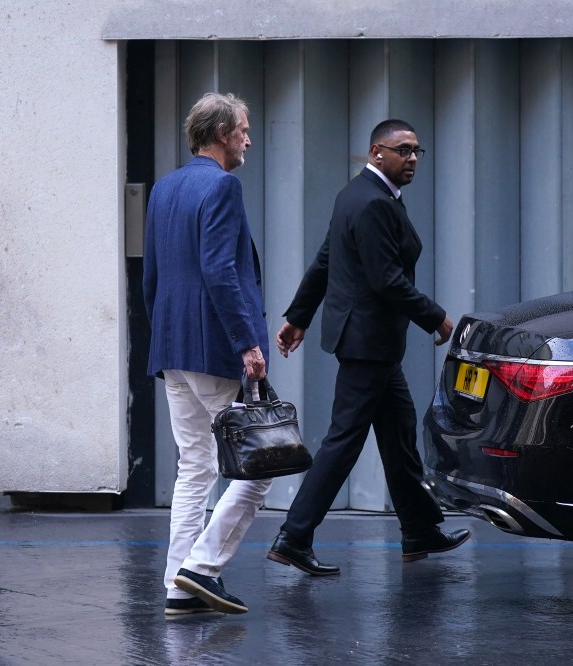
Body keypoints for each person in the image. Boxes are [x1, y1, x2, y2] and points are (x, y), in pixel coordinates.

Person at [266, 119, 470, 575]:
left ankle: (418, 530)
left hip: (370, 342)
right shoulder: (373, 203)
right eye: (403, 150)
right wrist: (436, 317)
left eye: (418, 150)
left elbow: (326, 259)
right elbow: (386, 280)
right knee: (344, 440)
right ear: (378, 152)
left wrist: (298, 316)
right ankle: (293, 536)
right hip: (367, 342)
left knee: (398, 434)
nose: (413, 158)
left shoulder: (355, 195)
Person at [143, 92, 271, 616]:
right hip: (214, 347)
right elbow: (220, 271)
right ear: (221, 133)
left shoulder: (165, 187)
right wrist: (248, 343)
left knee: (194, 467)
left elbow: (150, 275)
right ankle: (202, 568)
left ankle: (179, 586)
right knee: (258, 467)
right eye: (242, 129)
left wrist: (163, 337)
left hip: (172, 344)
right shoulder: (222, 186)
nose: (247, 138)